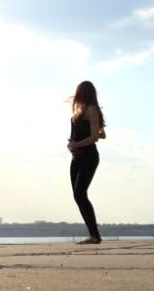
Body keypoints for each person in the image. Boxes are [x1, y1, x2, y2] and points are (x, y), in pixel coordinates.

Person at [67, 81, 106, 244]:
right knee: (78, 195)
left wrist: (76, 144)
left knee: (80, 194)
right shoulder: (80, 111)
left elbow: (96, 138)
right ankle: (93, 235)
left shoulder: (91, 109)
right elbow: (101, 134)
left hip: (88, 156)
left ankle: (95, 236)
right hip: (76, 157)